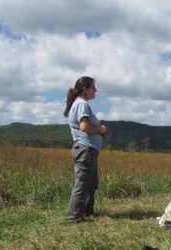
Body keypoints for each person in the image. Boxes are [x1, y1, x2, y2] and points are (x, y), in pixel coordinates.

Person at [64, 76, 109, 223]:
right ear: (84, 89)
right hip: (86, 149)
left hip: (87, 149)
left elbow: (85, 127)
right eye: (93, 87)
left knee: (91, 182)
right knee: (83, 183)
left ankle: (87, 212)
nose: (95, 90)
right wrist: (100, 129)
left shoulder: (79, 104)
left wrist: (101, 131)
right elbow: (84, 127)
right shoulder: (82, 104)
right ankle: (74, 217)